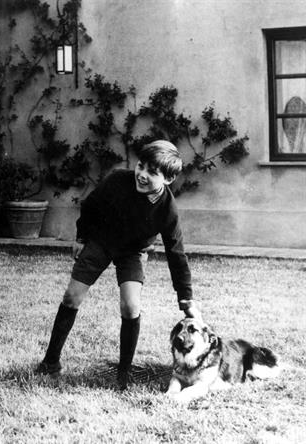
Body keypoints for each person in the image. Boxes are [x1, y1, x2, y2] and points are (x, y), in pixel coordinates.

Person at [35, 140, 201, 389]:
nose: (142, 175)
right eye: (141, 166)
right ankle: (50, 362)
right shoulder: (117, 179)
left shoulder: (168, 210)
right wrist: (81, 237)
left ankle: (123, 374)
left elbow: (176, 254)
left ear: (168, 179)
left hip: (133, 252)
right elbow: (90, 206)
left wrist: (186, 300)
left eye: (152, 173)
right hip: (101, 241)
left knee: (131, 305)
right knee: (72, 296)